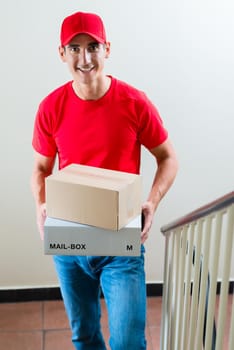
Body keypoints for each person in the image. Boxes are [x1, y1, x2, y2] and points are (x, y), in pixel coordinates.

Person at [31, 11, 178, 350]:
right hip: (70, 242)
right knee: (84, 337)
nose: (85, 58)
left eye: (93, 46)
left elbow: (168, 157)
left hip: (120, 243)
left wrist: (151, 202)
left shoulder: (134, 102)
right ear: (62, 53)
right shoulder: (51, 107)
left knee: (127, 341)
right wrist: (40, 204)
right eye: (75, 48)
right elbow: (40, 168)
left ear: (107, 49)